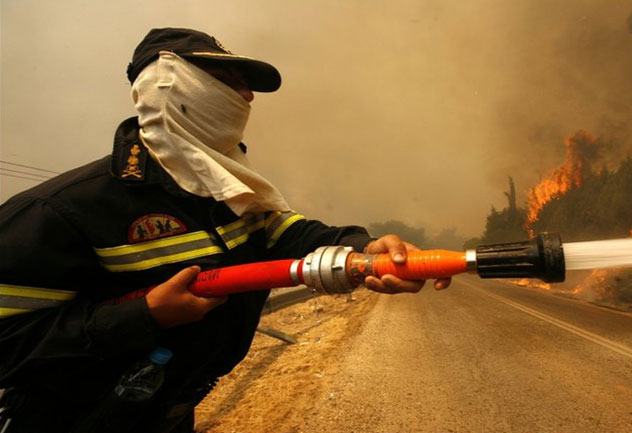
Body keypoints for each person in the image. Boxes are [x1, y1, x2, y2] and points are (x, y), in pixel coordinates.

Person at [0, 28, 450, 433]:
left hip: (166, 413)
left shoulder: (225, 191)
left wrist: (363, 245)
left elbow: (283, 232)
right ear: (171, 86)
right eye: (229, 81)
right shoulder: (60, 210)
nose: (247, 98)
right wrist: (143, 316)